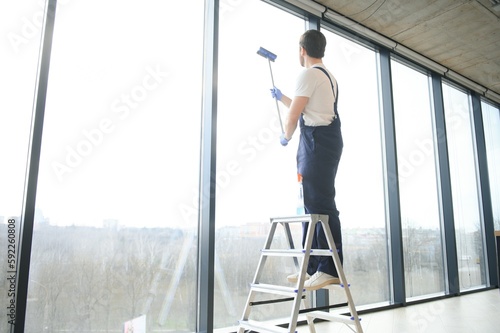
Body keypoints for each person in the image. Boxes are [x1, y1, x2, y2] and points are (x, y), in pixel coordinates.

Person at [271, 29, 343, 291]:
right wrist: (282, 98)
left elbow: (294, 118)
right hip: (323, 143)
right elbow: (304, 107)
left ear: (302, 50)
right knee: (312, 203)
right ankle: (311, 267)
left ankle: (329, 268)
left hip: (317, 144)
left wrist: (286, 136)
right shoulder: (327, 77)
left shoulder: (308, 74)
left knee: (320, 204)